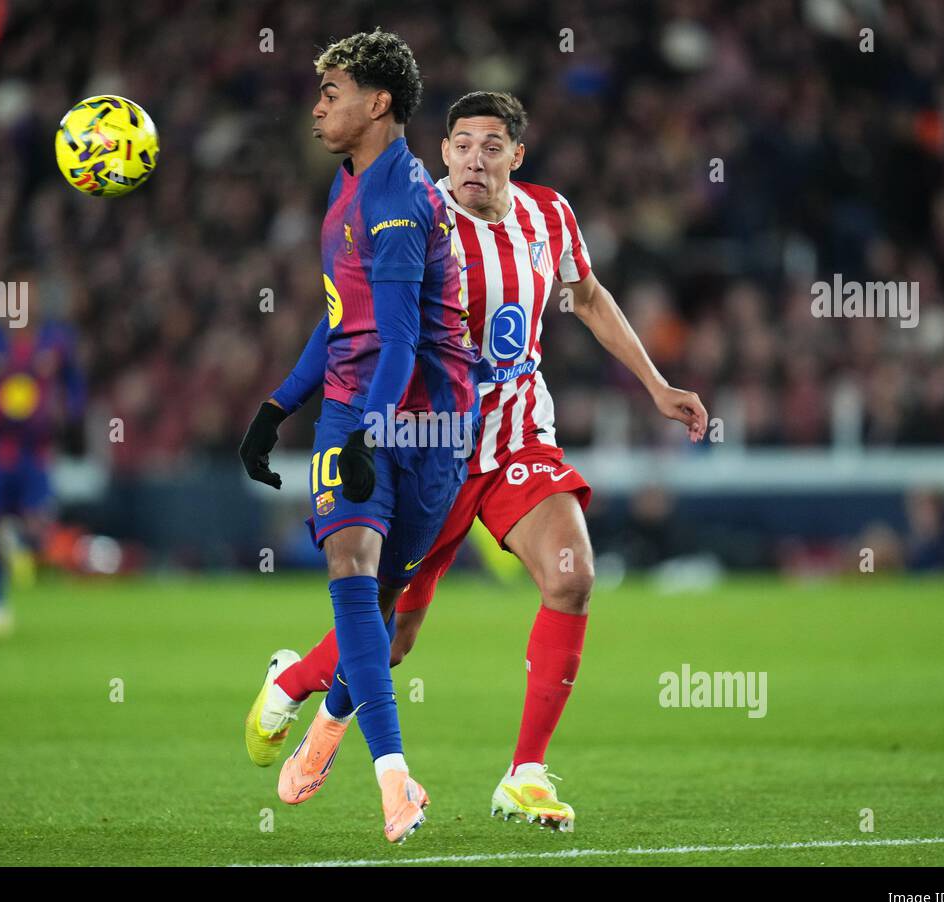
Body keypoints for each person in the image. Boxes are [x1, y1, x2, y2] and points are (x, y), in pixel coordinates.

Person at [246, 91, 707, 830]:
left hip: (518, 437)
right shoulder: (415, 215)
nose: (473, 159)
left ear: (516, 157)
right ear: (444, 151)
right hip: (432, 446)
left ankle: (525, 774)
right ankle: (297, 679)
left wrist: (655, 384)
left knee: (573, 575)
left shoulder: (548, 215)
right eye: (460, 144)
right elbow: (354, 320)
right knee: (394, 640)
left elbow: (585, 295)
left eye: (491, 146)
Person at [237, 31, 486, 844]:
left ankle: (326, 726)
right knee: (352, 568)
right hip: (358, 409)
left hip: (434, 424)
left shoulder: (401, 201)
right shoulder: (347, 191)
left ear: (377, 103)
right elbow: (347, 325)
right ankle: (395, 781)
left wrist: (378, 431)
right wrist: (278, 409)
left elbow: (405, 338)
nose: (318, 105)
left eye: (332, 90)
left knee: (381, 613)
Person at [0, 274, 85, 636]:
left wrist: (69, 413)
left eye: (29, 296)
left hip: (36, 451)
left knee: (39, 526)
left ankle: (22, 548)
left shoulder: (57, 340)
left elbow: (75, 385)